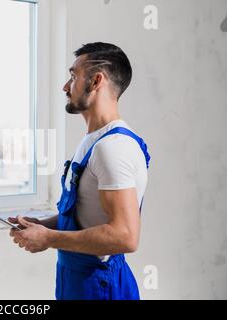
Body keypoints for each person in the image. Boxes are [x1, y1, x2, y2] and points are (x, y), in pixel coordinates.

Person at [9, 42, 150, 300]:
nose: (65, 86)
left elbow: (126, 236)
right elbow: (87, 212)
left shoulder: (114, 148)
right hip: (77, 281)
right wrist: (42, 226)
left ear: (96, 81)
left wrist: (49, 238)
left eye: (73, 76)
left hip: (99, 285)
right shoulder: (93, 141)